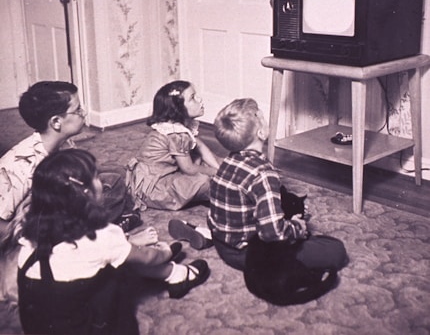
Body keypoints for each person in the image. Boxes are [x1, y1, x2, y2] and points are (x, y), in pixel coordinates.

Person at [17, 149, 210, 334]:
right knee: (123, 262)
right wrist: (165, 251)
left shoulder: (29, 234)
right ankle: (179, 274)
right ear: (86, 192)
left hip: (38, 327)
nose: (102, 182)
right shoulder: (102, 234)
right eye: (96, 177)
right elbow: (148, 257)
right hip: (91, 328)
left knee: (109, 258)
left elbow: (83, 253)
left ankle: (158, 266)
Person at [0, 81, 140, 304]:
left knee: (113, 177)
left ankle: (100, 230)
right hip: (39, 232)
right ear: (56, 122)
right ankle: (106, 237)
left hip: (60, 216)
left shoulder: (65, 144)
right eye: (77, 110)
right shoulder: (19, 166)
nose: (83, 113)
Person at [207, 98, 348, 273]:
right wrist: (297, 228)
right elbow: (272, 234)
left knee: (284, 200)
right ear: (261, 133)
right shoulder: (263, 173)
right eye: (263, 118)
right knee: (335, 250)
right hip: (249, 253)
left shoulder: (228, 161)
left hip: (223, 244)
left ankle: (203, 235)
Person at [126, 80, 220, 212]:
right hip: (154, 186)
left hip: (165, 173)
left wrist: (219, 168)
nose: (199, 100)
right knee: (204, 181)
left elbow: (200, 147)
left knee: (206, 160)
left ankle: (223, 181)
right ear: (179, 109)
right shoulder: (176, 134)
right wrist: (217, 173)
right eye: (193, 98)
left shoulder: (178, 127)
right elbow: (188, 168)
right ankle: (225, 194)